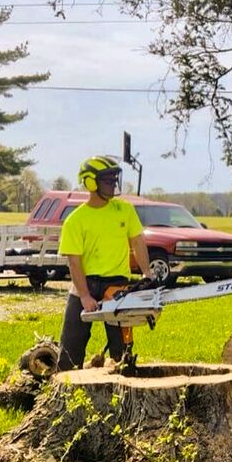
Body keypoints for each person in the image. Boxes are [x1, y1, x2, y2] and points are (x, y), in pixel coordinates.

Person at [56, 155, 154, 370]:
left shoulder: (124, 210)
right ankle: (65, 386)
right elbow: (74, 262)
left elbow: (137, 241)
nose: (113, 185)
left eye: (113, 180)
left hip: (117, 284)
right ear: (91, 182)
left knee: (122, 348)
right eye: (108, 181)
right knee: (71, 345)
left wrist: (147, 273)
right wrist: (84, 295)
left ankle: (124, 378)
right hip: (85, 284)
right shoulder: (75, 220)